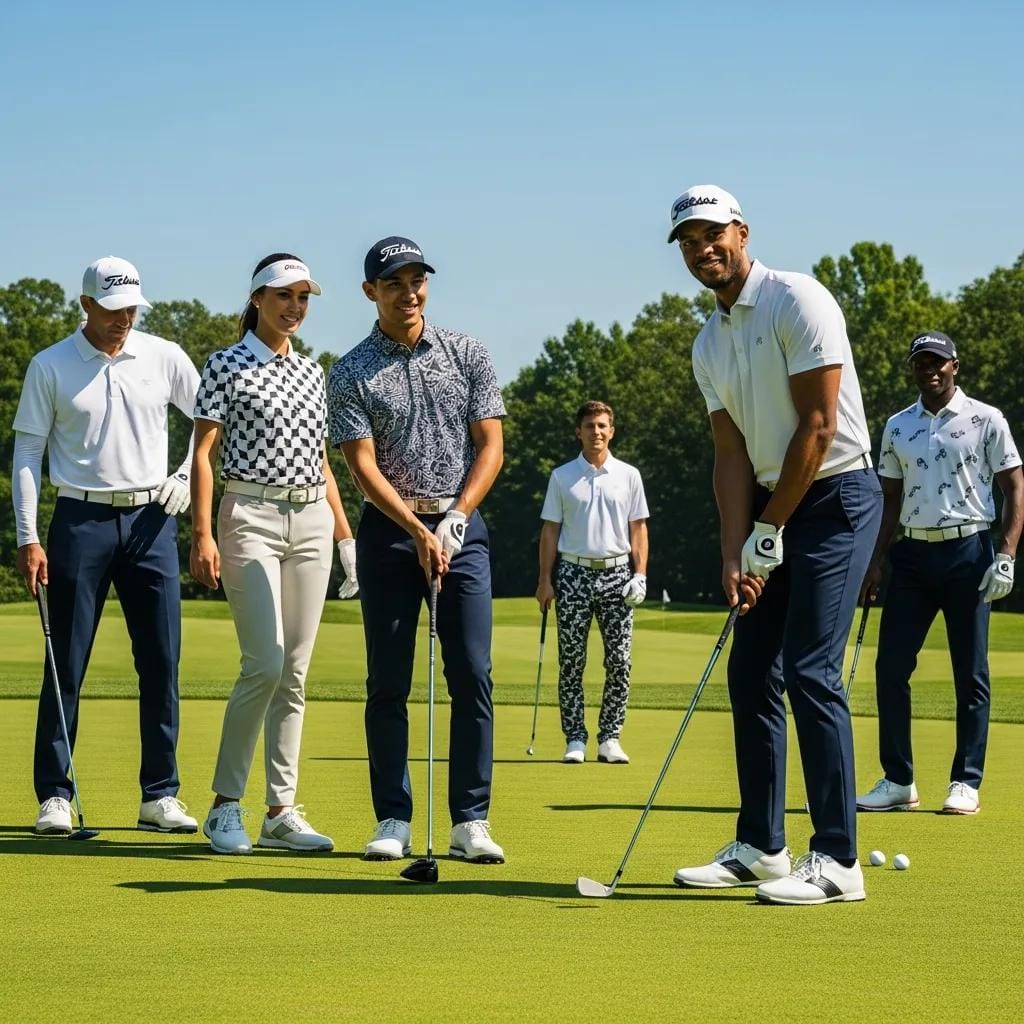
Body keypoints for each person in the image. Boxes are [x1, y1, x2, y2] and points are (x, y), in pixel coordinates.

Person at [667, 185, 883, 905]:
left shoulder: (799, 300)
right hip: (770, 505)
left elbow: (818, 429)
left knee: (812, 670)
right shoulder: (708, 343)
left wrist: (770, 530)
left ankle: (839, 861)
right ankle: (762, 846)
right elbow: (729, 456)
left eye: (712, 234)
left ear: (742, 231)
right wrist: (736, 551)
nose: (703, 250)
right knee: (751, 670)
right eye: (689, 242)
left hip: (837, 496)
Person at [327, 236, 507, 864]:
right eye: (395, 282)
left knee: (472, 675)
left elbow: (491, 447)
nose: (409, 292)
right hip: (389, 534)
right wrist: (415, 529)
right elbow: (361, 468)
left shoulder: (468, 353)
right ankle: (393, 817)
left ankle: (470, 820)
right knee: (389, 680)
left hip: (463, 534)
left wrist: (456, 517)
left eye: (417, 280)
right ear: (370, 291)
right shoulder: (349, 371)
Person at [12, 256, 201, 836]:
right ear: (87, 305)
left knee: (162, 662)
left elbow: (208, 421)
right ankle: (55, 794)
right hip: (79, 521)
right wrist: (29, 535)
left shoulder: (164, 354)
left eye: (133, 310)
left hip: (152, 519)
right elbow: (26, 455)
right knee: (65, 662)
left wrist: (187, 476)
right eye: (114, 310)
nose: (125, 320)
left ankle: (160, 794)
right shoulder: (51, 365)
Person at [190, 253, 358, 855]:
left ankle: (280, 810)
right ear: (258, 298)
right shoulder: (226, 364)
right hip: (249, 517)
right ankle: (223, 806)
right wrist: (203, 532)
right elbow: (203, 453)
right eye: (284, 297)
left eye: (303, 298)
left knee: (295, 671)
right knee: (264, 661)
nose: (294, 308)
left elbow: (321, 460)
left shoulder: (315, 372)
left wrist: (344, 536)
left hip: (310, 516)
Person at [856, 331, 1022, 815]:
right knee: (890, 670)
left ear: (955, 365)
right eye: (920, 362)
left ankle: (965, 781)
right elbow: (888, 499)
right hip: (910, 556)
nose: (929, 369)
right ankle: (898, 780)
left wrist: (1006, 553)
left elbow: (1015, 486)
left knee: (969, 673)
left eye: (937, 362)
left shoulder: (985, 419)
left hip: (969, 553)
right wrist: (875, 561)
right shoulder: (897, 426)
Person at [536, 400, 650, 764]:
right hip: (573, 572)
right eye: (589, 426)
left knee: (620, 661)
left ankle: (610, 737)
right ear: (579, 431)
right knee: (572, 661)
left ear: (611, 431)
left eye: (602, 426)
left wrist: (641, 574)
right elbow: (550, 531)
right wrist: (545, 580)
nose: (596, 432)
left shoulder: (629, 475)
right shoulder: (562, 476)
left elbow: (639, 528)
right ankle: (575, 738)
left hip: (618, 574)